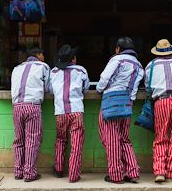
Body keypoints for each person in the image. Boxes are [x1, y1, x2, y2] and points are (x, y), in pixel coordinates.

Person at [96, 37, 143, 184]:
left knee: (111, 139)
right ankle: (133, 172)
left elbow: (104, 78)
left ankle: (116, 175)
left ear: (118, 48)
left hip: (111, 102)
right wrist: (129, 100)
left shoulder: (117, 60)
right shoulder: (139, 65)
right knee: (124, 139)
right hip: (127, 103)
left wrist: (99, 89)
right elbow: (134, 89)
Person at [145, 39, 172, 183]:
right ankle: (171, 171)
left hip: (161, 101)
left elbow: (148, 88)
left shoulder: (150, 66)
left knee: (160, 136)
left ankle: (159, 171)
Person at [50, 45, 89, 183]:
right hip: (76, 111)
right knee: (76, 143)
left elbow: (50, 89)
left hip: (60, 112)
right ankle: (73, 175)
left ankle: (59, 169)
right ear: (73, 58)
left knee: (61, 140)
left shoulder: (53, 71)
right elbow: (85, 88)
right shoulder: (81, 70)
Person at [11, 47, 50, 182]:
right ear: (38, 55)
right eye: (42, 54)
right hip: (32, 106)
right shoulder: (43, 66)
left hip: (17, 107)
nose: (44, 57)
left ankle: (18, 172)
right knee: (32, 140)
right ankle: (29, 174)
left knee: (19, 140)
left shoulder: (16, 68)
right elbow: (47, 88)